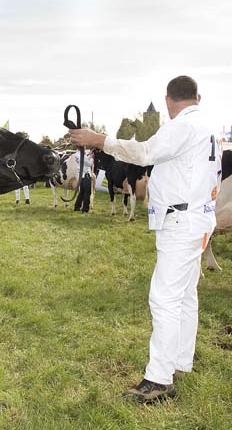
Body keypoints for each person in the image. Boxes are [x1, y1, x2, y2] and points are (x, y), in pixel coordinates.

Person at [70, 75, 220, 403]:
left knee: (164, 298)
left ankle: (159, 380)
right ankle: (179, 359)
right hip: (199, 218)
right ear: (198, 97)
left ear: (168, 100)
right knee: (184, 296)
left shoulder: (181, 127)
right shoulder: (207, 127)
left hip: (181, 220)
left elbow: (145, 152)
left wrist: (100, 140)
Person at [73, 149, 95, 213]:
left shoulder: (77, 154)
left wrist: (89, 156)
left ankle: (77, 207)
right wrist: (92, 158)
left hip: (81, 175)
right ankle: (85, 209)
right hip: (86, 175)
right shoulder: (82, 155)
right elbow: (89, 164)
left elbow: (84, 161)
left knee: (82, 192)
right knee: (87, 193)